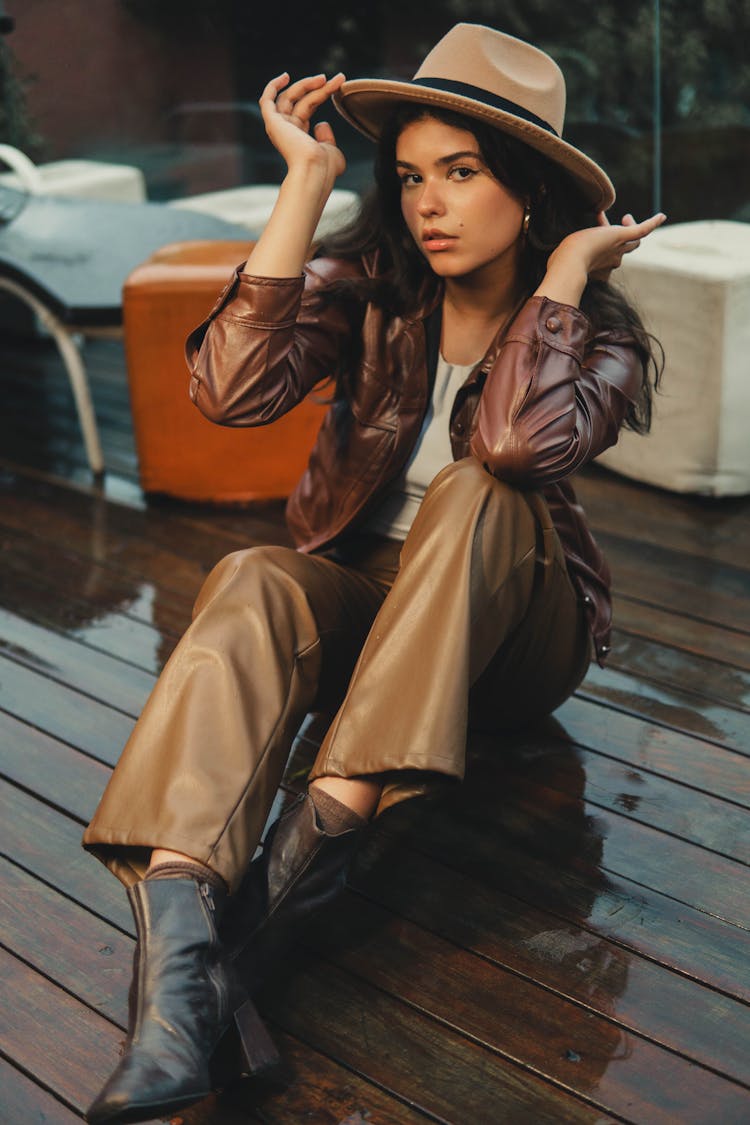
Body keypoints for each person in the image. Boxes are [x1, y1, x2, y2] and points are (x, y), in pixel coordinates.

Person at [83, 23, 665, 1125]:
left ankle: (249, 932)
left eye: (462, 173)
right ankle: (182, 1007)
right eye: (409, 178)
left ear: (530, 195)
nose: (428, 203)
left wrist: (566, 278)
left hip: (510, 641)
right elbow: (227, 392)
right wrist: (304, 186)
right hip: (370, 603)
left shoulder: (596, 340)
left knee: (475, 489)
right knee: (256, 574)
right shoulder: (372, 290)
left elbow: (510, 450)